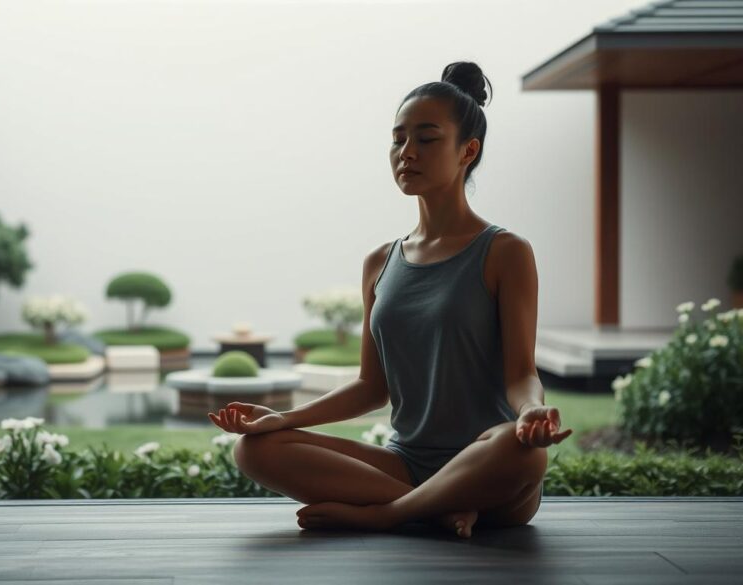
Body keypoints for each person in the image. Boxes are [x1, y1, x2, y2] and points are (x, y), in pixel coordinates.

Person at [207, 61, 573, 539]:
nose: (407, 152)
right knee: (254, 449)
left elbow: (521, 373)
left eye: (426, 139)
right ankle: (438, 509)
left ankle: (388, 513)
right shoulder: (380, 262)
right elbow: (370, 387)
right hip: (404, 465)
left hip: (491, 467)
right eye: (398, 139)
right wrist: (284, 418)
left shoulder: (505, 252)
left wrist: (530, 413)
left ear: (468, 150)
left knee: (524, 451)